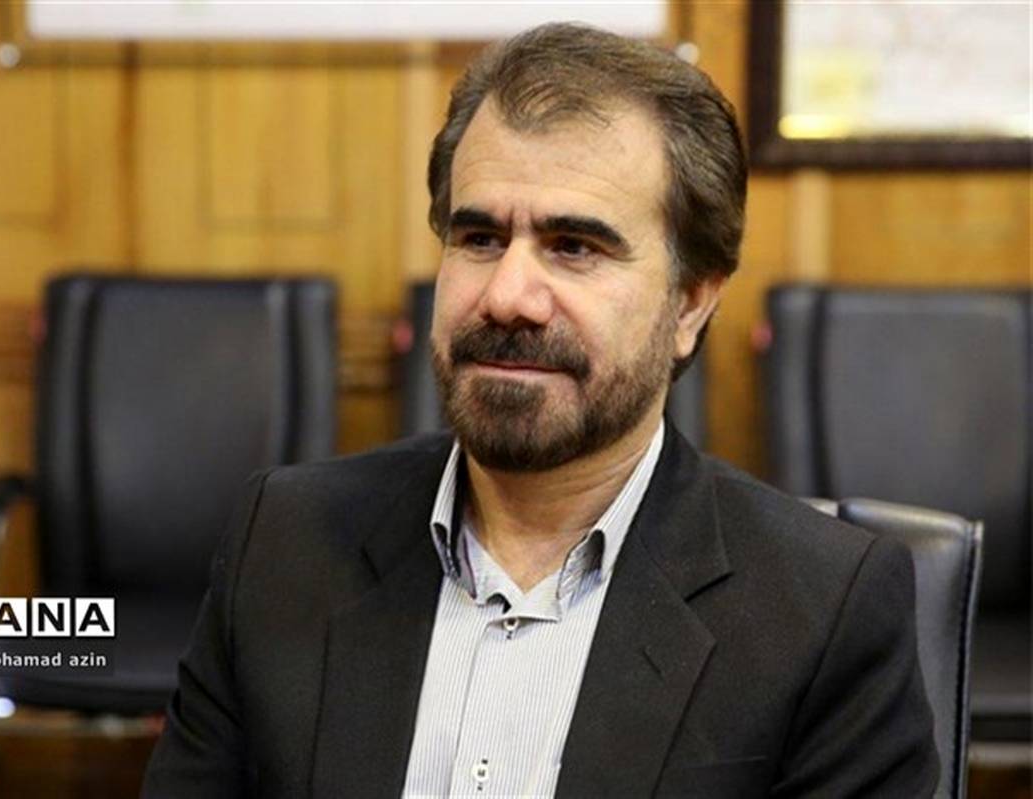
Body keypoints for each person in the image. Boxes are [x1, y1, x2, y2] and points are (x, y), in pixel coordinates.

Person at [142, 23, 937, 798]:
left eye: (574, 247)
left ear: (691, 303)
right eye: (480, 238)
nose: (507, 296)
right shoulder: (283, 543)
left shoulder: (819, 612)